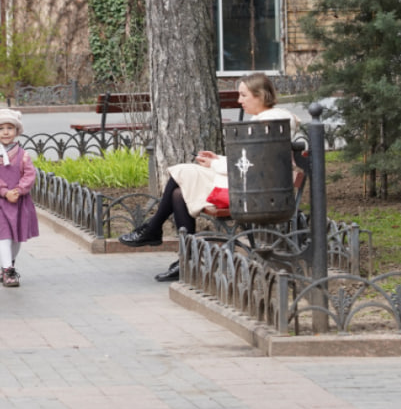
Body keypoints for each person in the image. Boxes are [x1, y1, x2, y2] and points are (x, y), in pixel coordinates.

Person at [120, 72, 300, 282]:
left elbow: (251, 164)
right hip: (250, 186)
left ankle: (156, 232)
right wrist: (217, 159)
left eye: (243, 95)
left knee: (182, 172)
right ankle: (183, 256)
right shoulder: (267, 121)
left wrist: (215, 164)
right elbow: (250, 161)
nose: (239, 100)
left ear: (260, 95)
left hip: (252, 194)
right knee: (178, 192)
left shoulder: (269, 122)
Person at [0, 109, 39, 288]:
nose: (5, 132)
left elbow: (29, 175)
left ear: (17, 131)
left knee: (17, 238)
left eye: (10, 128)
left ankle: (9, 262)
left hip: (19, 202)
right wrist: (4, 192)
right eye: (1, 128)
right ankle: (7, 271)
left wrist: (19, 190)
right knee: (4, 236)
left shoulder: (23, 155)